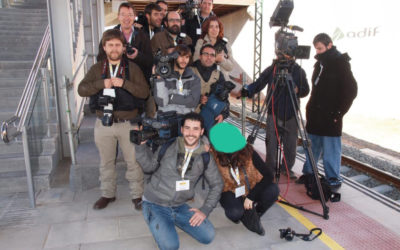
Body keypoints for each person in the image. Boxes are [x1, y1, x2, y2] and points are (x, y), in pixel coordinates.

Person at [78, 29, 149, 210]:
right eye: (110, 45)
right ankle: (107, 194)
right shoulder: (97, 68)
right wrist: (102, 84)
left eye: (118, 44)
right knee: (106, 161)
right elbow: (81, 89)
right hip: (104, 123)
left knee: (133, 161)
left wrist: (124, 83)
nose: (114, 48)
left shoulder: (133, 68)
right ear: (104, 47)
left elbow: (145, 92)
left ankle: (137, 195)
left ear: (123, 48)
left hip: (128, 123)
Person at [135, 112, 223, 250]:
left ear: (201, 131)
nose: (190, 133)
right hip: (156, 202)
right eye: (187, 128)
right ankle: (153, 215)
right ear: (181, 130)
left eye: (195, 129)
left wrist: (205, 210)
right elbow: (148, 167)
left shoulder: (205, 156)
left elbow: (217, 184)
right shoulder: (167, 146)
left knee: (208, 236)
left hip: (179, 205)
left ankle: (172, 219)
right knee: (171, 246)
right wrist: (140, 147)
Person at [298, 33, 357, 190]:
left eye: (320, 48)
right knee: (312, 146)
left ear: (329, 45)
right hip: (315, 115)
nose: (317, 52)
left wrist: (339, 113)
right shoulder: (320, 63)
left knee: (331, 149)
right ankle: (309, 173)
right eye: (316, 49)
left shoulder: (341, 63)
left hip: (331, 116)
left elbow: (351, 90)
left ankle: (333, 178)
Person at [242, 55, 309, 179]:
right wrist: (248, 91)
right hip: (274, 111)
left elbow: (305, 90)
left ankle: (287, 169)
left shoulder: (299, 71)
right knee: (271, 143)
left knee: (291, 144)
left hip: (292, 112)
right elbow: (260, 82)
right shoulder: (272, 69)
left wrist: (297, 89)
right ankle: (270, 170)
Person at [209, 123, 279, 235]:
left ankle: (255, 213)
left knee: (273, 190)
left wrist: (251, 197)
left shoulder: (248, 151)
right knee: (235, 212)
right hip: (229, 190)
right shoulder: (212, 156)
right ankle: (242, 215)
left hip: (250, 186)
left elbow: (269, 175)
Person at [97, 2, 155, 118]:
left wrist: (137, 55)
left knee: (135, 119)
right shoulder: (108, 35)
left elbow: (150, 61)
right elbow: (100, 59)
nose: (126, 18)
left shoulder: (142, 35)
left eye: (130, 14)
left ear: (134, 17)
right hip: (114, 83)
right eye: (123, 14)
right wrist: (116, 52)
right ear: (118, 16)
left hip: (135, 84)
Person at [153, 44, 201, 115]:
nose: (184, 60)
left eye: (187, 57)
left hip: (185, 120)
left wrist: (171, 97)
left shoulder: (194, 78)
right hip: (166, 118)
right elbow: (162, 102)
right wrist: (159, 78)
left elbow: (193, 102)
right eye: (181, 56)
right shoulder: (164, 76)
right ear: (174, 57)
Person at [191, 44, 229, 126]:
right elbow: (179, 95)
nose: (209, 57)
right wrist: (198, 99)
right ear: (200, 56)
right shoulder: (189, 71)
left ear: (215, 58)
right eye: (206, 54)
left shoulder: (219, 74)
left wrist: (223, 114)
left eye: (212, 55)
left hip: (210, 118)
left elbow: (224, 97)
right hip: (189, 118)